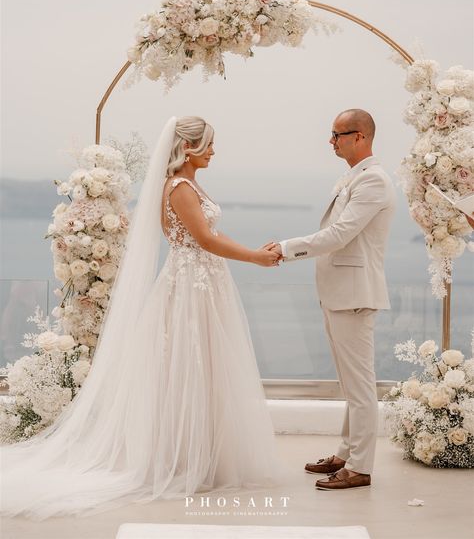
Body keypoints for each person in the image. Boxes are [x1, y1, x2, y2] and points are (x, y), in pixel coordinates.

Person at [0, 116, 281, 519]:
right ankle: (184, 458)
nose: (214, 152)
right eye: (210, 145)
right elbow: (205, 239)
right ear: (188, 147)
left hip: (201, 282)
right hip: (190, 286)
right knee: (191, 365)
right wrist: (254, 256)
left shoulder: (189, 184)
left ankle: (202, 454)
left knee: (205, 367)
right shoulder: (181, 188)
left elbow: (207, 238)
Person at [268, 109, 396, 491]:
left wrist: (286, 248)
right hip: (338, 292)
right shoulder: (352, 177)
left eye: (338, 134)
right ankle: (346, 452)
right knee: (349, 382)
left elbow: (340, 234)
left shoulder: (373, 181)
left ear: (361, 137)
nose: (331, 141)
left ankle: (360, 466)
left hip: (355, 294)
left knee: (360, 385)